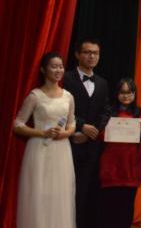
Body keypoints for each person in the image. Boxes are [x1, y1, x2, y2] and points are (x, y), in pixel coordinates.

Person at [13, 52, 77, 228]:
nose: (58, 70)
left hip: (62, 150)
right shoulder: (35, 96)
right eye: (54, 66)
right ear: (43, 69)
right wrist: (42, 133)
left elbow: (72, 123)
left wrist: (66, 133)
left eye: (61, 66)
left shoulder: (68, 96)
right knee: (39, 192)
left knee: (60, 193)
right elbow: (17, 124)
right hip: (39, 149)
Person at [63, 38, 111, 228]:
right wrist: (81, 126)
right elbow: (61, 108)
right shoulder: (66, 78)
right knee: (67, 189)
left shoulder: (102, 82)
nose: (92, 56)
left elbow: (106, 111)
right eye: (87, 52)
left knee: (87, 192)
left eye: (95, 53)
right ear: (77, 54)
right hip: (68, 142)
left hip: (93, 147)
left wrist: (94, 131)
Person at [98, 78, 141, 228]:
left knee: (127, 207)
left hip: (131, 166)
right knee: (109, 208)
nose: (126, 95)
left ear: (135, 94)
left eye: (129, 92)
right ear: (117, 94)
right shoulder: (108, 112)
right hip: (111, 166)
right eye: (122, 92)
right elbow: (99, 136)